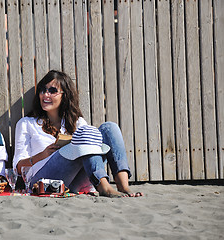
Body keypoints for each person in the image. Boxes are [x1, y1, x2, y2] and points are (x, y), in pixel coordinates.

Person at [13, 70, 142, 197]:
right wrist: (43, 154)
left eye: (52, 91)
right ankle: (104, 186)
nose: (45, 94)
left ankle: (123, 186)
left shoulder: (78, 122)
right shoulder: (26, 123)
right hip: (43, 180)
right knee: (84, 136)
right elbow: (18, 167)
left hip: (75, 180)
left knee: (109, 128)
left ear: (65, 96)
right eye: (42, 89)